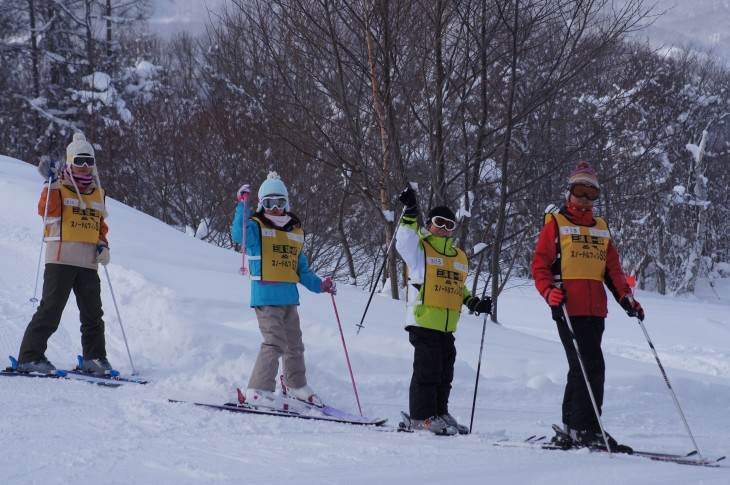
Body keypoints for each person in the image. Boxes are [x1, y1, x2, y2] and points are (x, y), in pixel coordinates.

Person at [532, 161, 644, 451]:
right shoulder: (556, 224)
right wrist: (548, 292)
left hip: (596, 309)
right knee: (591, 366)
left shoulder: (602, 228)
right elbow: (540, 266)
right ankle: (586, 429)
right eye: (580, 191)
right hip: (569, 307)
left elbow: (613, 270)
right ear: (569, 192)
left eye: (591, 193)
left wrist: (626, 299)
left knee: (581, 367)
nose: (584, 198)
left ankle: (572, 427)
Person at [231, 171, 336, 409]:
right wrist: (242, 205)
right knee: (274, 341)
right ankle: (258, 389)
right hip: (266, 296)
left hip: (289, 297)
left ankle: (295, 385)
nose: (275, 208)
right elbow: (240, 235)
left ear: (286, 203)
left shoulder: (294, 233)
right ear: (261, 204)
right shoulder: (256, 228)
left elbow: (302, 270)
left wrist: (320, 285)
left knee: (294, 343)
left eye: (279, 202)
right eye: (268, 203)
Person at [395, 186, 492, 435]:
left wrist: (474, 303)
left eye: (450, 224)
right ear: (429, 224)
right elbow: (404, 239)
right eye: (440, 222)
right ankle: (420, 416)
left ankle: (439, 412)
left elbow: (458, 287)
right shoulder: (420, 250)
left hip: (447, 325)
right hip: (423, 319)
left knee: (444, 371)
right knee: (427, 370)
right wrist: (410, 212)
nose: (445, 228)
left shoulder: (458, 257)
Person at [17, 133, 114, 375]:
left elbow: (99, 225)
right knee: (51, 309)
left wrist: (103, 245)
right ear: (70, 161)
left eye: (88, 162)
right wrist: (49, 184)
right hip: (61, 258)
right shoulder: (58, 188)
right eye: (79, 161)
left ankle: (95, 358)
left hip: (89, 263)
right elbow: (47, 213)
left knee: (93, 314)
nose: (84, 167)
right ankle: (30, 356)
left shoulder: (98, 193)